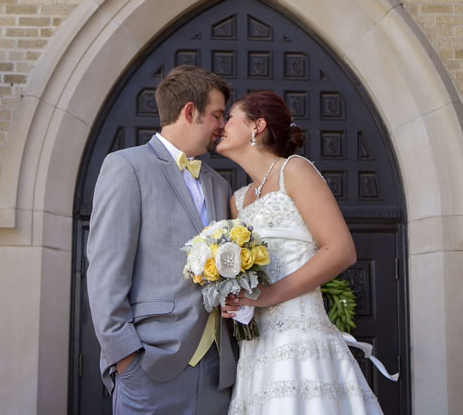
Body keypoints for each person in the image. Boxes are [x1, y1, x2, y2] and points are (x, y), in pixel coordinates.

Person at [217, 90, 384, 414]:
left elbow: (340, 250)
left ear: (257, 125)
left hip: (302, 339)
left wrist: (269, 295)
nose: (221, 125)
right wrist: (236, 299)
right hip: (257, 351)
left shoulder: (294, 170)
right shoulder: (237, 200)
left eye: (230, 117)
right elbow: (249, 275)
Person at [86, 65, 237, 414]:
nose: (221, 126)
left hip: (217, 373)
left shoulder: (219, 184)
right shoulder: (127, 167)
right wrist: (126, 359)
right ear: (189, 111)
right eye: (216, 115)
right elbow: (105, 271)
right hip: (150, 367)